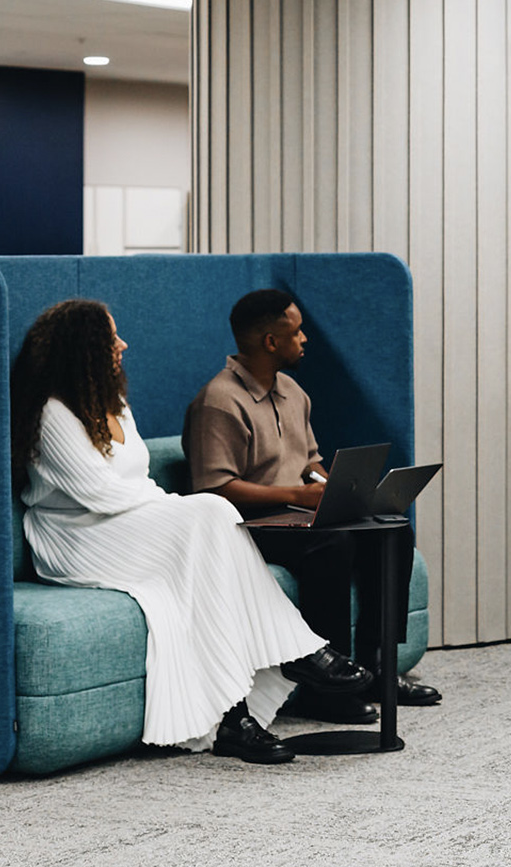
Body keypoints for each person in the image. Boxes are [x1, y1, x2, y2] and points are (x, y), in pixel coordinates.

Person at [13, 299, 373, 765]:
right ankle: (294, 651)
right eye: (111, 337)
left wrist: (172, 509)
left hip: (130, 522)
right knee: (209, 513)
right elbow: (96, 492)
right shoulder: (52, 413)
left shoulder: (111, 402)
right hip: (77, 536)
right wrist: (174, 510)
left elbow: (138, 480)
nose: (123, 344)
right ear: (81, 349)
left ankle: (236, 716)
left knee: (209, 532)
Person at [182, 289, 440, 724]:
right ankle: (326, 691)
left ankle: (377, 668)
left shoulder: (293, 392)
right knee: (332, 544)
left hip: (297, 515)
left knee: (392, 530)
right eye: (297, 331)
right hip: (248, 526)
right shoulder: (219, 401)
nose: (305, 339)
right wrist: (297, 495)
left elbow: (308, 462)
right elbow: (216, 488)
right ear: (270, 341)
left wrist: (334, 486)